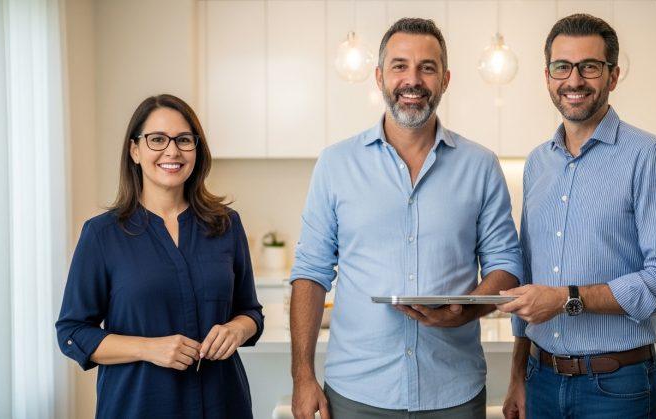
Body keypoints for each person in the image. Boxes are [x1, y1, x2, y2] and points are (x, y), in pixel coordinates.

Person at [289, 17, 523, 419]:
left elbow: (506, 264)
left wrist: (466, 309)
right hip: (357, 392)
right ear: (379, 76)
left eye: (426, 68)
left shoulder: (481, 165)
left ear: (445, 80)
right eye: (400, 66)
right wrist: (302, 375)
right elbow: (310, 272)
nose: (412, 80)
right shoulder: (335, 164)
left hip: (453, 391)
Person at [497, 14, 656, 419]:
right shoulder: (538, 163)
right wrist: (517, 375)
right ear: (547, 76)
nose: (574, 80)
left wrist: (567, 299)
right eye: (562, 67)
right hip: (540, 378)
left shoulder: (648, 157)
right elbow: (528, 275)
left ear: (613, 76)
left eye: (589, 67)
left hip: (616, 388)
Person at [55, 94, 264, 418]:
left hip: (222, 404)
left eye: (184, 140)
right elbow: (72, 332)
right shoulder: (102, 234)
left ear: (197, 149)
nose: (172, 151)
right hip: (138, 406)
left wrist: (237, 329)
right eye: (157, 139)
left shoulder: (226, 224)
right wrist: (148, 348)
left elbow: (250, 312)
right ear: (135, 150)